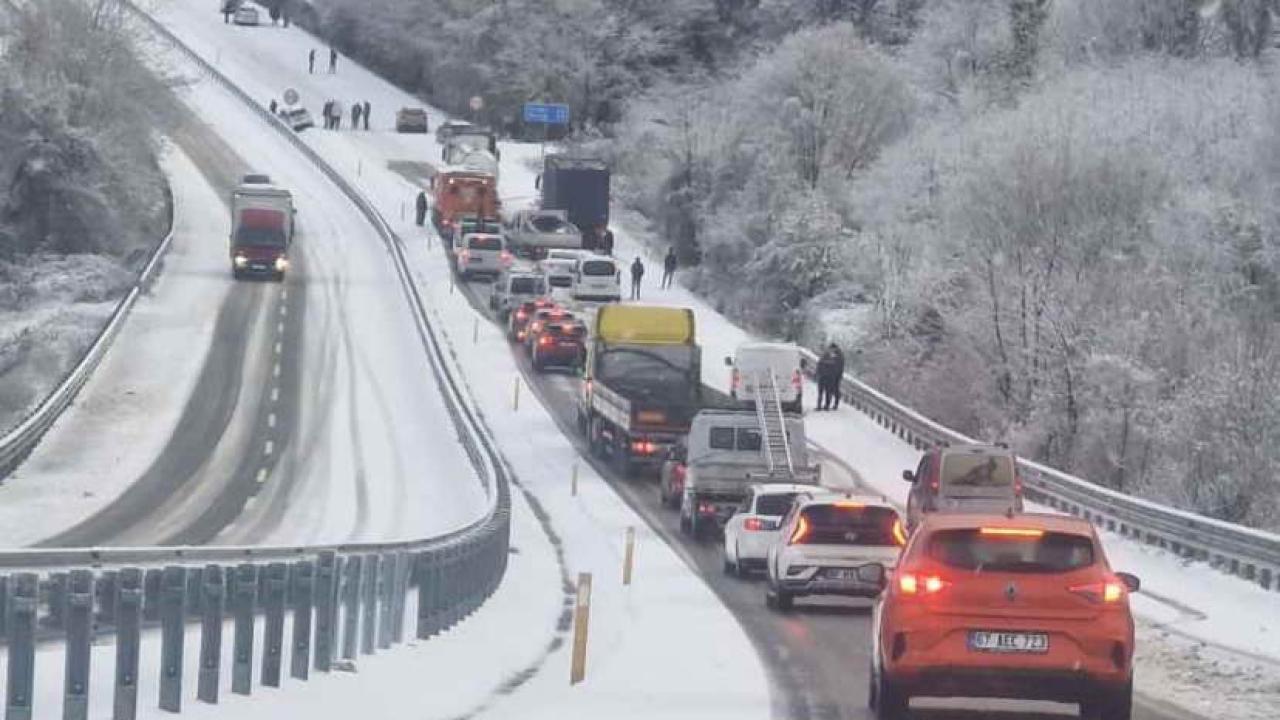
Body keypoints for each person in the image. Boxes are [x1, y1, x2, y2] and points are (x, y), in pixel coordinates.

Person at [816, 343, 845, 410]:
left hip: (832, 376)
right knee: (821, 391)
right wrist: (818, 372)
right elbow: (820, 363)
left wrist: (837, 375)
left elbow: (838, 367)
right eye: (830, 349)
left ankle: (829, 405)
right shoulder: (826, 354)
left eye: (832, 349)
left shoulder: (839, 355)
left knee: (830, 391)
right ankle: (819, 405)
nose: (830, 350)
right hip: (823, 375)